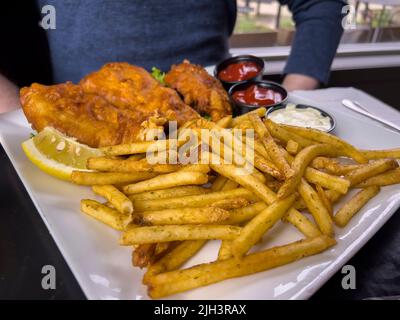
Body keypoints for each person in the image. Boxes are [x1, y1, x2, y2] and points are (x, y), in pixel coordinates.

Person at [0, 0, 346, 113]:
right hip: (77, 123)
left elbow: (320, 4)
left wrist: (294, 104)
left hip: (217, 120)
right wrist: (20, 114)